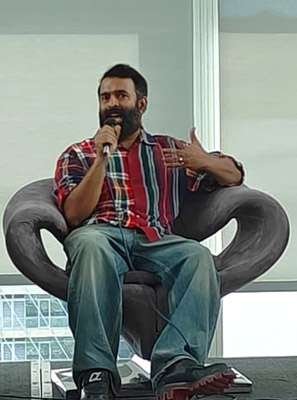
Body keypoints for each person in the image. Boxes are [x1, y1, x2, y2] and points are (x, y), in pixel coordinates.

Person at [53, 64, 244, 400]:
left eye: (121, 96)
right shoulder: (79, 153)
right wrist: (101, 159)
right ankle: (97, 373)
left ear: (140, 104)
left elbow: (235, 175)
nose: (112, 103)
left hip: (155, 239)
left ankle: (176, 366)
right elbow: (74, 214)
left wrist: (205, 161)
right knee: (90, 246)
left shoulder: (167, 150)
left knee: (198, 257)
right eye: (105, 97)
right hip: (101, 234)